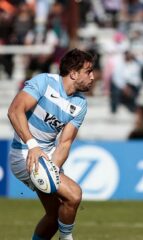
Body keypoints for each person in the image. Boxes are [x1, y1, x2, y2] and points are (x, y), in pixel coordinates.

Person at [7, 48, 95, 240]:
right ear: (73, 73)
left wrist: (52, 170)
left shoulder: (80, 104)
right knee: (74, 194)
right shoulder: (44, 83)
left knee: (56, 215)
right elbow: (15, 111)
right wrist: (33, 145)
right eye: (88, 71)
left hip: (45, 158)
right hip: (24, 154)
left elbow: (64, 143)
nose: (93, 76)